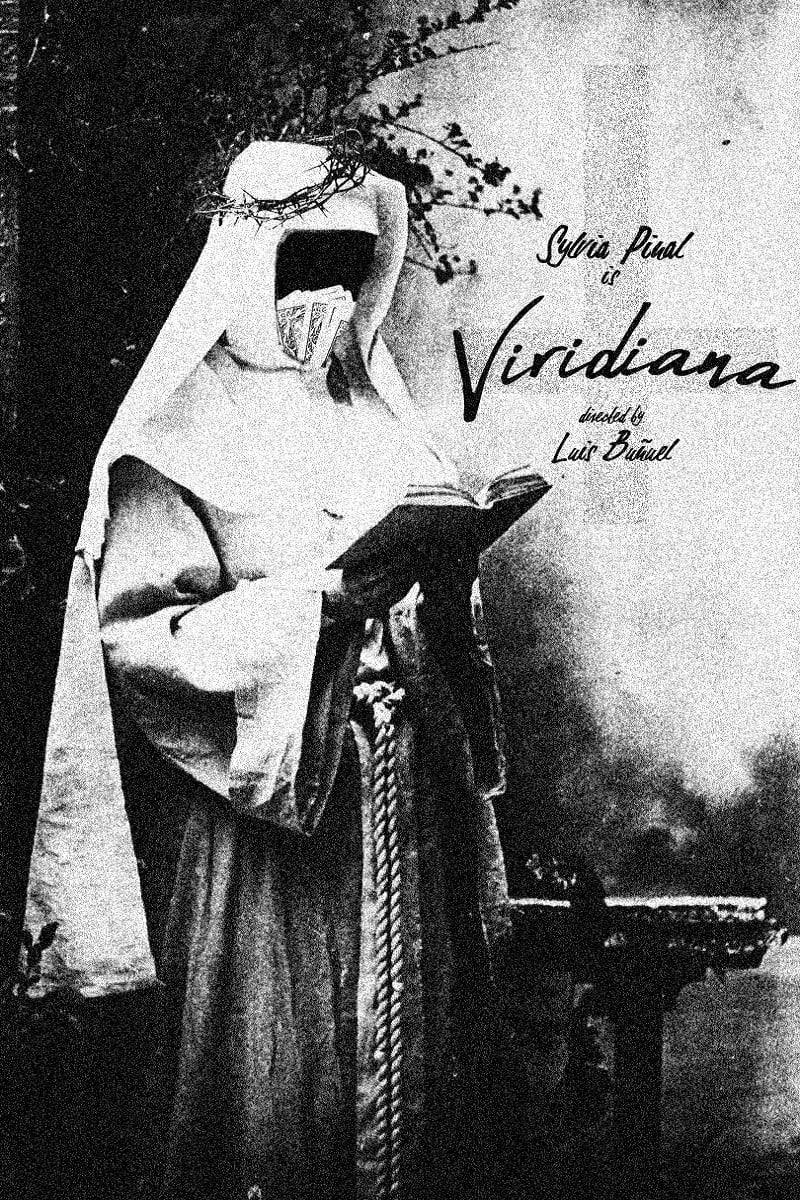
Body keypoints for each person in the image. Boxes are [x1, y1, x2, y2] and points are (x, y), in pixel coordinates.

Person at [25, 141, 526, 1200]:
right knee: (275, 1091)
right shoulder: (178, 430)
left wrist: (443, 582)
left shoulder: (377, 414)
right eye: (305, 262)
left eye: (351, 264)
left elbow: (426, 623)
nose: (327, 293)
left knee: (415, 1084)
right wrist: (321, 605)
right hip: (263, 819)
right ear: (250, 260)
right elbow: (142, 639)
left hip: (397, 810)